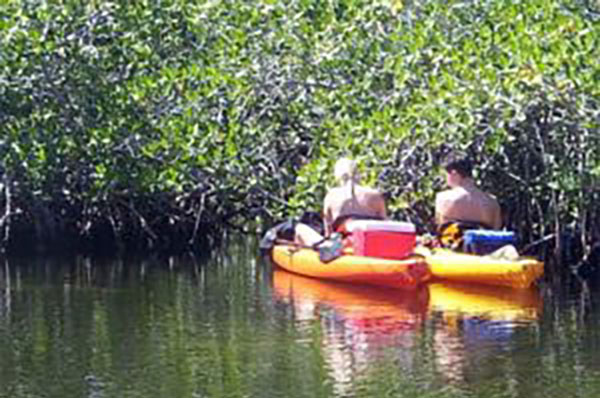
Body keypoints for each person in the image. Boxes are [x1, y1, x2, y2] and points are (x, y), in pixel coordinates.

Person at [295, 158, 387, 246]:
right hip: (372, 244)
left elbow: (328, 232)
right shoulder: (375, 195)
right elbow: (385, 225)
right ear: (358, 174)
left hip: (342, 247)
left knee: (300, 228)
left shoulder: (332, 196)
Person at [435, 155, 502, 249]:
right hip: (483, 256)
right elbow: (496, 234)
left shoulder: (442, 198)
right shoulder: (492, 202)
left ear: (453, 173)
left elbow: (439, 229)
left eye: (446, 175)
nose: (446, 180)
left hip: (452, 254)